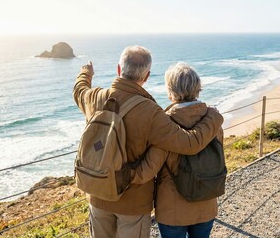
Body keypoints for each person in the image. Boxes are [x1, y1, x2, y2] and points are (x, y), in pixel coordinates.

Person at [73, 46, 223, 238]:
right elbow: (190, 143)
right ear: (147, 76)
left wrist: (86, 72)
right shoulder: (151, 112)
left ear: (119, 69)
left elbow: (79, 90)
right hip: (133, 203)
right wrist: (214, 117)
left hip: (97, 193)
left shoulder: (94, 97)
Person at [132, 62, 224, 238]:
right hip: (207, 199)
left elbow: (150, 168)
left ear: (170, 91)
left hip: (172, 208)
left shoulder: (165, 124)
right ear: (198, 88)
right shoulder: (213, 120)